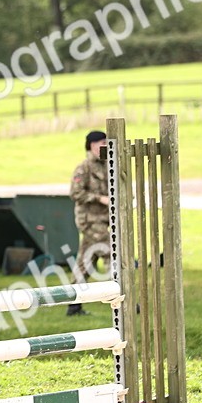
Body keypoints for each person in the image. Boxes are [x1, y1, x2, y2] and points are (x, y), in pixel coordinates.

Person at [67, 130, 110, 316]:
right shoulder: (83, 168)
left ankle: (73, 304)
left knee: (86, 261)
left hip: (105, 219)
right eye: (101, 143)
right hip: (90, 221)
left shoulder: (109, 166)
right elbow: (75, 193)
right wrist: (99, 199)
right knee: (111, 251)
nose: (105, 146)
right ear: (91, 145)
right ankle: (123, 298)